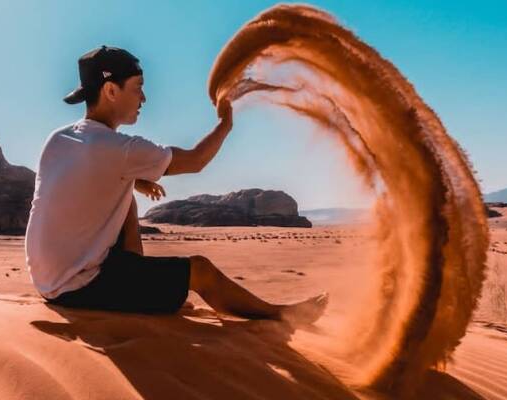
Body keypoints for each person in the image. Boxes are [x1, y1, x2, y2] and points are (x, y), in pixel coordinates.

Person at [24, 45, 327, 323]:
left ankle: (142, 293)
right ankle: (281, 315)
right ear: (111, 91)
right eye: (138, 88)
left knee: (125, 199)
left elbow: (82, 182)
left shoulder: (59, 139)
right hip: (79, 287)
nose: (143, 99)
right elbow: (196, 161)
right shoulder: (121, 150)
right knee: (201, 271)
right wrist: (225, 125)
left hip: (46, 280)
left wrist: (135, 179)